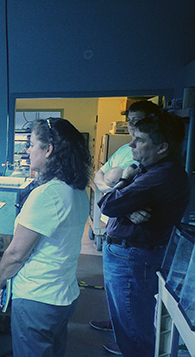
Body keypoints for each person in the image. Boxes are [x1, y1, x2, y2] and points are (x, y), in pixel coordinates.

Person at [0, 118, 92, 357]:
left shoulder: (47, 194)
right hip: (61, 294)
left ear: (49, 150)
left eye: (32, 144)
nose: (27, 150)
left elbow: (16, 254)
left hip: (38, 299)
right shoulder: (75, 190)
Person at [98, 111, 189, 357]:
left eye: (139, 140)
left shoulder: (161, 175)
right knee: (127, 325)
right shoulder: (150, 169)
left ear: (162, 147)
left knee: (134, 332)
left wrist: (124, 179)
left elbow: (107, 204)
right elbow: (119, 205)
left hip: (133, 260)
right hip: (129, 255)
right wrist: (127, 208)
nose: (131, 144)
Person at [89, 100, 161, 355]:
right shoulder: (123, 150)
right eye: (130, 121)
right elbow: (99, 177)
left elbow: (111, 197)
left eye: (138, 123)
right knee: (121, 300)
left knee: (133, 306)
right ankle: (118, 328)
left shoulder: (157, 165)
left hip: (134, 248)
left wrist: (116, 198)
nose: (132, 129)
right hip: (116, 232)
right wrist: (121, 201)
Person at [94, 100, 161, 192]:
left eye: (136, 120)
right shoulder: (124, 148)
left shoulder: (147, 151)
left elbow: (112, 178)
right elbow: (99, 173)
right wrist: (109, 190)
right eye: (129, 120)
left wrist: (111, 190)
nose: (130, 124)